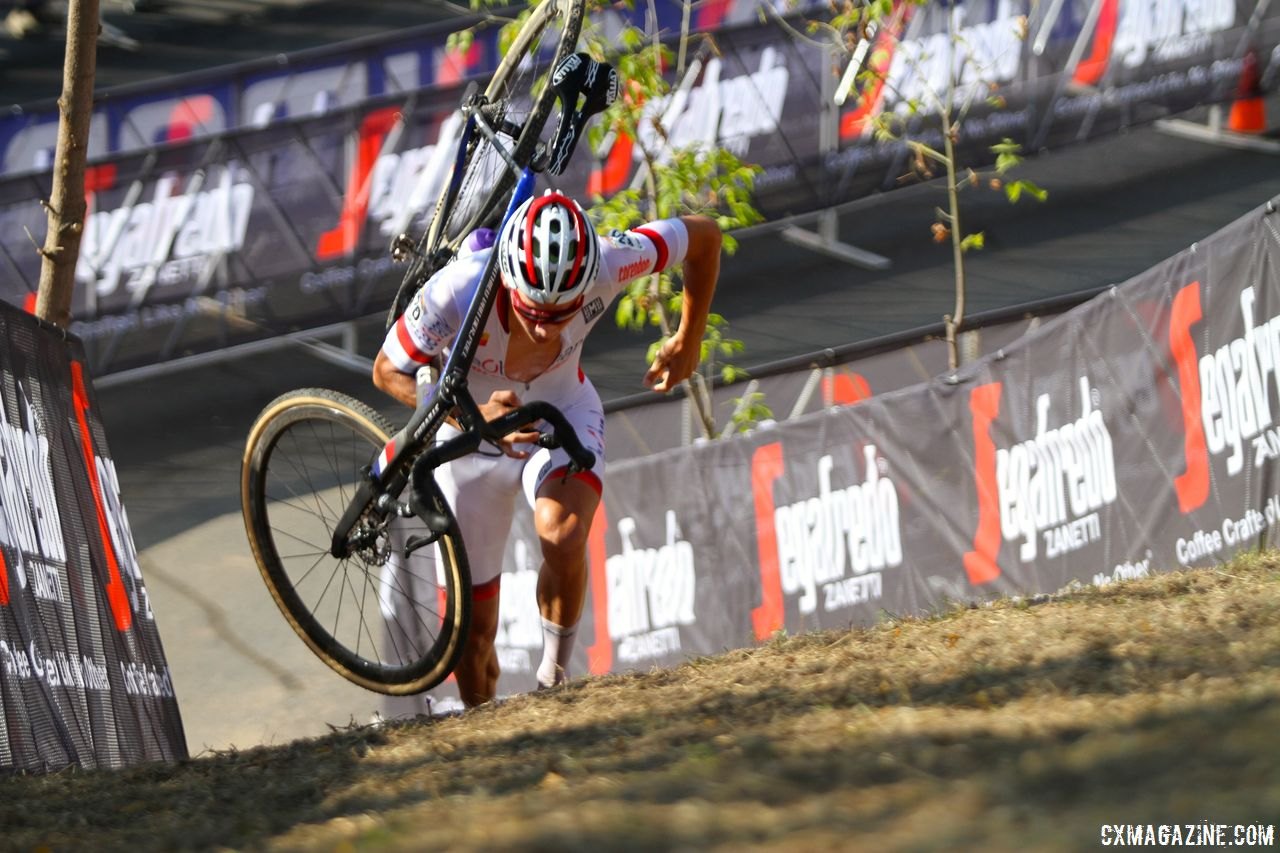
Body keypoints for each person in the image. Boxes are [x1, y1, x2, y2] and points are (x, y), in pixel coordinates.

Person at [372, 190, 722, 707]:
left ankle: (553, 690)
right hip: (466, 443)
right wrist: (469, 414)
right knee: (472, 644)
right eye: (532, 310)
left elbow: (704, 237)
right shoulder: (464, 287)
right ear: (508, 280)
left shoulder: (610, 260)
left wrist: (691, 336)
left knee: (563, 533)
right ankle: (488, 732)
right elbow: (386, 371)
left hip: (561, 410)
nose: (543, 325)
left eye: (561, 314)